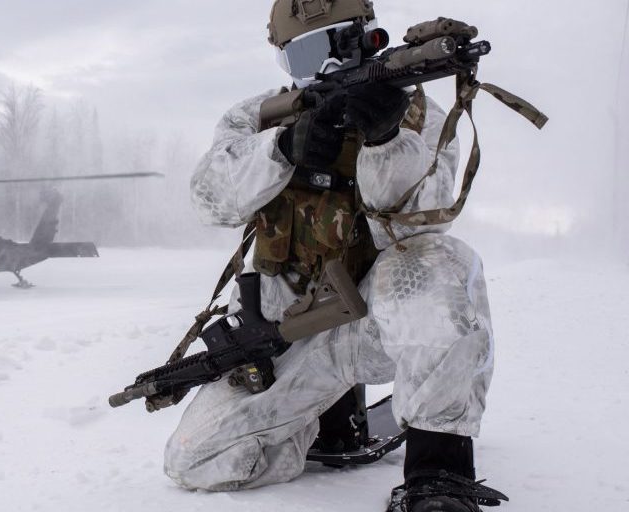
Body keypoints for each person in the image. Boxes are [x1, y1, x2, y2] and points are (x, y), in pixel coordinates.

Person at [164, 1, 508, 510]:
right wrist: (281, 149)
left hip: (374, 323)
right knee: (194, 459)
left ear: (369, 38)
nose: (326, 66)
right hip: (288, 333)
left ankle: (438, 472)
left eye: (339, 43)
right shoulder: (258, 116)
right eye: (305, 55)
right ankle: (317, 422)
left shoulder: (417, 115)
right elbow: (210, 199)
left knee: (442, 265)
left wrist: (386, 140)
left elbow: (426, 218)